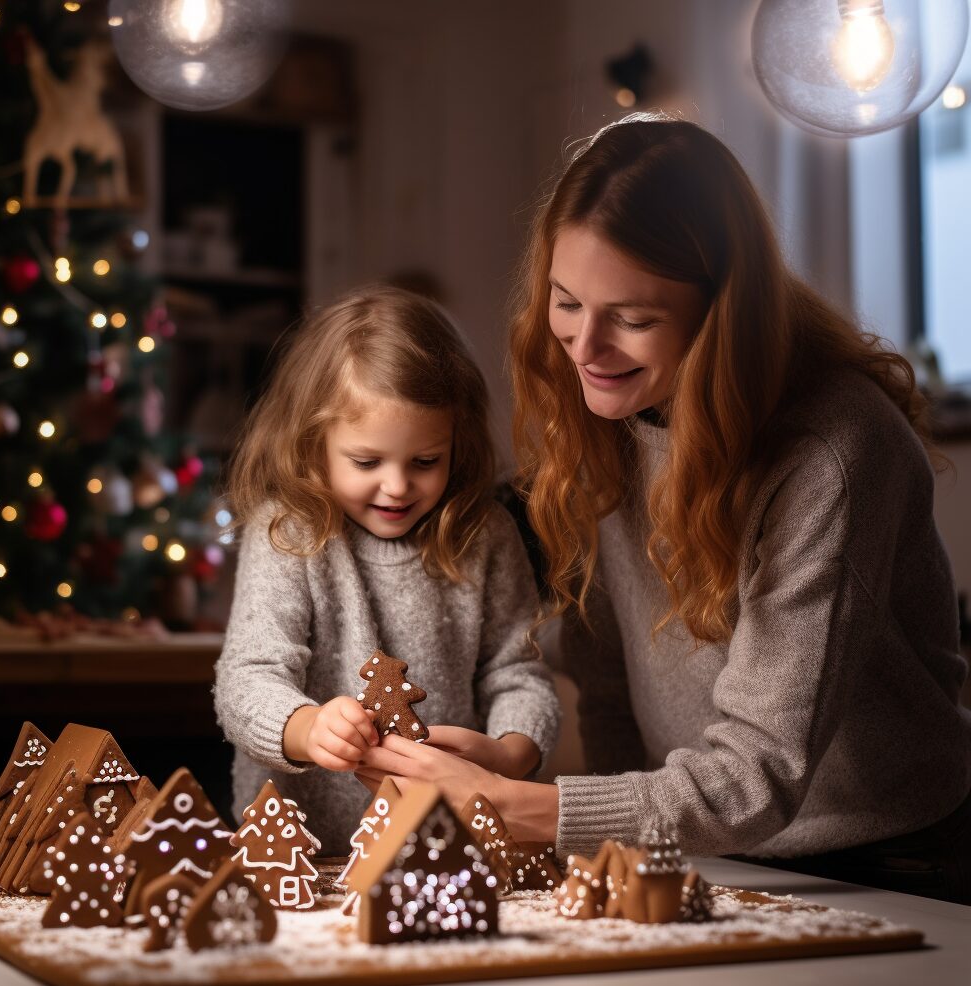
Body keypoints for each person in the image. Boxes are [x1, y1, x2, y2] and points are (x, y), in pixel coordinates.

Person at [357, 116, 971, 903]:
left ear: (725, 316)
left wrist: (529, 810)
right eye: (566, 301)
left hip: (883, 860)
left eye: (634, 319)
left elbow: (758, 772)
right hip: (703, 852)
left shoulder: (834, 451)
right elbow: (608, 689)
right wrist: (602, 852)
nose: (585, 346)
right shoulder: (600, 412)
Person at [213, 284, 560, 854]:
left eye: (426, 461)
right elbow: (247, 678)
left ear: (456, 441)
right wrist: (307, 729)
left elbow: (518, 674)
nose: (397, 486)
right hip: (304, 861)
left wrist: (506, 754)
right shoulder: (289, 532)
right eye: (367, 461)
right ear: (314, 442)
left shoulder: (485, 533)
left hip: (444, 853)